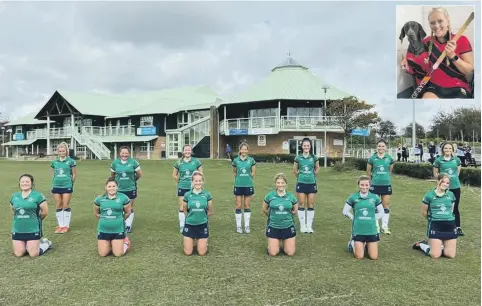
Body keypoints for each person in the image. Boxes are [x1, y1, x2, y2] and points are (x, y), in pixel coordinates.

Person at [421, 7, 474, 99]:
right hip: (434, 87)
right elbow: (415, 55)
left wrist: (453, 56)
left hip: (458, 86)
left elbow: (470, 72)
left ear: (448, 21)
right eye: (432, 23)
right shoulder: (427, 41)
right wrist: (406, 60)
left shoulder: (462, 40)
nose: (436, 26)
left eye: (440, 21)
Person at [412, 174, 457, 258]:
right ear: (438, 181)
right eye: (443, 181)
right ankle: (421, 245)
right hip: (436, 225)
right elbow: (424, 212)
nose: (445, 184)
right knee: (435, 255)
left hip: (450, 226)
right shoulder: (429, 195)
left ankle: (440, 246)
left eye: (447, 183)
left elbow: (451, 210)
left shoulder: (451, 195)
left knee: (450, 255)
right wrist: (432, 219)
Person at [10, 174, 52, 257]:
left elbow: (45, 212)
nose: (24, 183)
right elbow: (13, 211)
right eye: (22, 182)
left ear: (31, 183)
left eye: (27, 181)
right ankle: (27, 245)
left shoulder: (38, 195)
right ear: (19, 183)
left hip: (33, 229)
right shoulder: (14, 196)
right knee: (19, 254)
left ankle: (46, 243)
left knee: (33, 254)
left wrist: (35, 220)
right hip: (18, 229)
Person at [343, 175, 384, 260]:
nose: (364, 187)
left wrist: (373, 218)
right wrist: (353, 218)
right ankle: (352, 243)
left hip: (371, 230)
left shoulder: (375, 197)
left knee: (374, 257)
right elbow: (345, 211)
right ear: (358, 185)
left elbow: (381, 212)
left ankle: (366, 245)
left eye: (366, 185)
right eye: (362, 185)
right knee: (360, 256)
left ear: (369, 186)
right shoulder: (353, 197)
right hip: (358, 230)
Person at [94, 177, 131, 257]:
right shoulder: (99, 199)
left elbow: (128, 213)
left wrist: (119, 220)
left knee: (118, 254)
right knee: (103, 254)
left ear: (117, 187)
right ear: (106, 187)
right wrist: (105, 220)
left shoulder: (123, 198)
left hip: (118, 230)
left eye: (114, 186)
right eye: (109, 186)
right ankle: (112, 244)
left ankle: (126, 242)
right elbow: (97, 214)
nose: (112, 188)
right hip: (103, 229)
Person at [263, 173, 298, 257]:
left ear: (286, 184)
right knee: (273, 253)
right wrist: (272, 216)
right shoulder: (270, 196)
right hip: (274, 227)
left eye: (282, 183)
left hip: (288, 226)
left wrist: (286, 217)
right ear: (275, 184)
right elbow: (264, 209)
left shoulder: (291, 196)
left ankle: (285, 243)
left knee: (290, 253)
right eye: (278, 183)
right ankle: (272, 245)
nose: (280, 185)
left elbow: (295, 210)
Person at [433, 142, 463, 236]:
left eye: (450, 148)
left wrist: (452, 180)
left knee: (455, 207)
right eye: (446, 148)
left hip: (455, 186)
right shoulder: (438, 160)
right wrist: (442, 184)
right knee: (443, 205)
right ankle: (443, 225)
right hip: (443, 187)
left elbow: (457, 172)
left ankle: (457, 227)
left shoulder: (456, 159)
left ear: (452, 150)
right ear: (442, 150)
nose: (448, 150)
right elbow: (435, 174)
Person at [110, 146, 142, 233]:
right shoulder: (115, 163)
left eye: (126, 153)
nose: (124, 155)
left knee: (129, 207)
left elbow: (139, 174)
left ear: (129, 153)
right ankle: (119, 224)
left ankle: (128, 225)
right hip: (119, 189)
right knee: (119, 207)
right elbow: (112, 176)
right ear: (119, 153)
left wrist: (133, 180)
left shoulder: (133, 162)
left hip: (130, 188)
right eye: (122, 153)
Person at [366, 139, 394, 234]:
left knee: (385, 205)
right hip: (375, 184)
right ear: (377, 147)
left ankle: (384, 226)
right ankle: (376, 226)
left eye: (383, 146)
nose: (381, 148)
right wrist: (370, 182)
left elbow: (390, 170)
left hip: (386, 184)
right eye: (379, 146)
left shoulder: (389, 158)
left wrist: (385, 177)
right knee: (375, 206)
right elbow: (368, 172)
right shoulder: (372, 158)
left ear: (386, 148)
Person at [173, 144, 203, 233]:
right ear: (183, 152)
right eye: (185, 150)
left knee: (192, 206)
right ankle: (182, 226)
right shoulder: (178, 163)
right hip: (182, 187)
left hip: (194, 188)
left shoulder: (196, 162)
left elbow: (201, 174)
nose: (187, 152)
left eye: (189, 150)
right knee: (182, 207)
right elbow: (174, 175)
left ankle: (192, 224)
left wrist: (198, 183)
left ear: (191, 151)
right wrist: (180, 181)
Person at [182, 171, 213, 256]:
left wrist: (203, 218)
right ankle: (190, 241)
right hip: (190, 225)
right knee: (188, 253)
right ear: (192, 182)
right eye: (196, 181)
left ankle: (202, 242)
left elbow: (210, 211)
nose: (198, 183)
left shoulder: (207, 194)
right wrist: (189, 218)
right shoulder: (187, 195)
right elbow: (184, 209)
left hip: (202, 225)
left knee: (202, 253)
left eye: (200, 181)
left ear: (202, 181)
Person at [292, 138, 319, 233]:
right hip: (301, 183)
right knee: (301, 203)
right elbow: (295, 171)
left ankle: (309, 226)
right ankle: (303, 226)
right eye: (304, 145)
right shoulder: (298, 157)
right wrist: (301, 177)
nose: (306, 147)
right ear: (302, 146)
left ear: (310, 146)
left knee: (310, 204)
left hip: (311, 183)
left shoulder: (314, 157)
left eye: (308, 145)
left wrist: (311, 176)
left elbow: (317, 169)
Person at [51, 142, 76, 234]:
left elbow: (74, 174)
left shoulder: (71, 161)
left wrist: (71, 183)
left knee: (65, 205)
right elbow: (54, 174)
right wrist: (53, 183)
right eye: (60, 151)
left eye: (63, 151)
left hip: (67, 185)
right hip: (56, 185)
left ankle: (66, 225)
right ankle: (60, 225)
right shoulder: (54, 162)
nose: (62, 153)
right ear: (58, 152)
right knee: (58, 204)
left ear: (66, 151)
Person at [232, 142, 256, 233]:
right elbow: (234, 172)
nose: (244, 151)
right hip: (238, 185)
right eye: (242, 149)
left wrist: (249, 178)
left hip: (248, 185)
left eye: (245, 149)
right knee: (238, 205)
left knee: (246, 205)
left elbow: (253, 172)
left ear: (247, 150)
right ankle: (239, 226)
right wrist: (239, 178)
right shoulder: (236, 160)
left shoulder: (251, 160)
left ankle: (246, 226)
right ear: (240, 150)